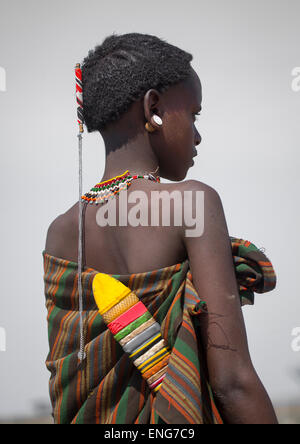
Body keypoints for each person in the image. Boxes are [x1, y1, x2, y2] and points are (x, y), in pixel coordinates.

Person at [43, 32, 278, 424]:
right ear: (153, 108)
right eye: (193, 114)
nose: (198, 134)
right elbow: (233, 381)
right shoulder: (192, 203)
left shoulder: (60, 232)